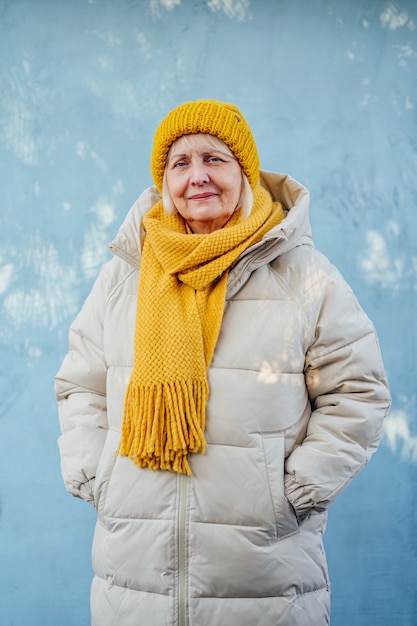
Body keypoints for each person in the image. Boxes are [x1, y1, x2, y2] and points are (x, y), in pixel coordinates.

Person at [55, 98, 391, 626]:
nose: (198, 177)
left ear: (244, 170)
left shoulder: (303, 275)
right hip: (135, 572)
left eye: (214, 159)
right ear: (163, 179)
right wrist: (100, 477)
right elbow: (80, 386)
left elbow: (357, 391)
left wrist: (294, 491)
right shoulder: (124, 277)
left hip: (263, 575)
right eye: (180, 163)